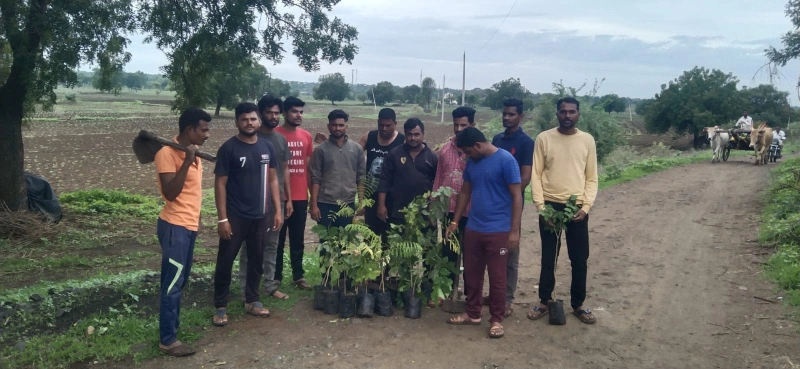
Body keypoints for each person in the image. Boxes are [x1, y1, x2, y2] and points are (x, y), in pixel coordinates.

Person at [445, 127, 522, 340]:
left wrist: (514, 230)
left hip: (499, 229)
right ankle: (473, 313)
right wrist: (455, 221)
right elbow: (466, 191)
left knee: (497, 276)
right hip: (474, 228)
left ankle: (496, 319)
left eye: (468, 151)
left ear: (477, 145)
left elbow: (517, 196)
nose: (467, 156)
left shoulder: (506, 161)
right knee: (472, 274)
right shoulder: (473, 162)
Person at [527, 96, 598, 325]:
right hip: (549, 207)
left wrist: (586, 207)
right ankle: (544, 301)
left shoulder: (587, 141)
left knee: (579, 258)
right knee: (549, 257)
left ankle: (578, 304)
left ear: (578, 114)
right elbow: (535, 175)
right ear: (557, 113)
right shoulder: (544, 139)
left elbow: (592, 178)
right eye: (563, 111)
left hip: (576, 208)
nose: (567, 116)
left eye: (572, 112)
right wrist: (541, 208)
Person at [213, 102, 283, 326]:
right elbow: (220, 185)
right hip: (235, 216)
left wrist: (277, 210)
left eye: (253, 119)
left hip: (261, 215)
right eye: (244, 119)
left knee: (256, 259)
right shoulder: (228, 149)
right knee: (226, 260)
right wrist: (222, 218)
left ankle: (252, 300)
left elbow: (273, 179)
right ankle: (220, 306)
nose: (249, 123)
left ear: (258, 121)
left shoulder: (267, 147)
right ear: (237, 122)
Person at [153, 107, 211, 357]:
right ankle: (168, 340)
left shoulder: (195, 154)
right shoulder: (167, 153)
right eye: (204, 129)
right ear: (190, 129)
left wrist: (197, 221)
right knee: (172, 283)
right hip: (174, 226)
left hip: (188, 227)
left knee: (181, 280)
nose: (207, 134)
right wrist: (186, 161)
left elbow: (192, 195)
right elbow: (170, 193)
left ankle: (172, 329)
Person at [237, 95, 293, 302]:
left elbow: (284, 170)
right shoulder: (250, 138)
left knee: (272, 245)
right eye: (269, 112)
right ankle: (245, 289)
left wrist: (288, 199)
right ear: (260, 114)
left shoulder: (280, 139)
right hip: (251, 204)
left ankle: (270, 285)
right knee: (249, 248)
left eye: (276, 113)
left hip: (275, 203)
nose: (273, 116)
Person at [490, 97, 534, 318]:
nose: (506, 117)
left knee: (509, 251)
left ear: (520, 116)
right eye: (505, 114)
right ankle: (494, 295)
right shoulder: (497, 139)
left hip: (511, 205)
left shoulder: (526, 143)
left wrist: (504, 193)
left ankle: (507, 299)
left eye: (511, 114)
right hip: (492, 204)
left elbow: (524, 178)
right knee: (492, 250)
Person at [433, 107, 474, 298]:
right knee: (448, 252)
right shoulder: (445, 150)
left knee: (471, 254)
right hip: (448, 210)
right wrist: (434, 205)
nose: (459, 129)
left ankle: (469, 294)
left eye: (463, 125)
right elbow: (438, 179)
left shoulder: (476, 152)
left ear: (472, 125)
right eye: (456, 124)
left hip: (471, 211)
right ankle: (447, 292)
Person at [274, 97, 314, 290]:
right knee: (277, 239)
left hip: (300, 197)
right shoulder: (274, 134)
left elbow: (308, 167)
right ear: (284, 113)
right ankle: (276, 276)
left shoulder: (306, 136)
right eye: (294, 111)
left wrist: (310, 196)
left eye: (301, 112)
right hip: (279, 197)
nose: (299, 115)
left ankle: (298, 276)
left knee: (297, 239)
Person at [309, 109, 366, 229]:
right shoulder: (321, 150)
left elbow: (361, 177)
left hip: (348, 204)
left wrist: (361, 202)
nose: (337, 128)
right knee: (326, 242)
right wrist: (313, 204)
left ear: (346, 126)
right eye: (334, 125)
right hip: (325, 203)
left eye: (341, 125)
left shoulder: (356, 149)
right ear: (329, 126)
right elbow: (315, 178)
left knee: (345, 242)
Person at [360, 108, 405, 242]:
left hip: (393, 199)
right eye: (381, 125)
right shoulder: (369, 137)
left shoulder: (402, 141)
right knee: (369, 239)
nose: (384, 128)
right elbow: (352, 154)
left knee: (389, 240)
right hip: (371, 198)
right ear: (377, 123)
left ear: (395, 123)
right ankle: (369, 263)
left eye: (388, 125)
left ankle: (388, 264)